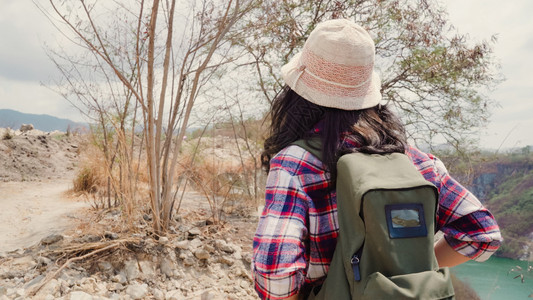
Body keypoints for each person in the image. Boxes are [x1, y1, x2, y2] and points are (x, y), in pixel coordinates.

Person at [251, 19, 502, 300]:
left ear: (298, 93)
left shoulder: (295, 164)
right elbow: (482, 234)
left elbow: (275, 277)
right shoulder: (414, 160)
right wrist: (403, 270)